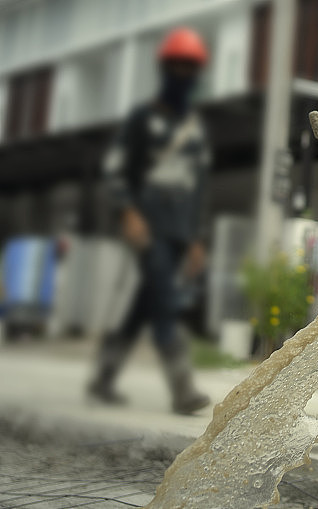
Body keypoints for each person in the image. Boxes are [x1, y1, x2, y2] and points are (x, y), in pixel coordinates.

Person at [88, 28, 212, 414]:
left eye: (188, 67)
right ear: (163, 68)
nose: (181, 73)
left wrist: (195, 240)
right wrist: (127, 211)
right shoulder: (142, 119)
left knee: (144, 304)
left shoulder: (195, 131)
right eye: (175, 65)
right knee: (165, 301)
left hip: (179, 231)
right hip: (148, 227)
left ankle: (104, 377)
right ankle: (182, 388)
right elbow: (114, 169)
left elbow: (198, 190)